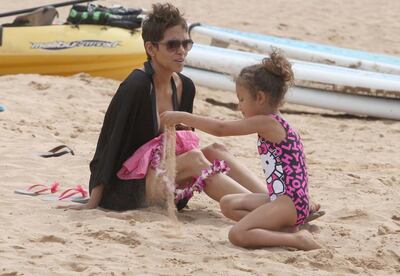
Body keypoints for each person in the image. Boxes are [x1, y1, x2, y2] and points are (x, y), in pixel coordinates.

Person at [59, 3, 263, 211]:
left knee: (216, 150)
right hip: (126, 191)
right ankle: (264, 210)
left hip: (168, 180)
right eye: (172, 45)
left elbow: (185, 143)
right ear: (151, 48)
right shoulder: (136, 86)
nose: (181, 51)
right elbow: (109, 145)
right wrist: (94, 200)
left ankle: (278, 203)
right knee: (195, 159)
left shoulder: (185, 87)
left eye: (186, 43)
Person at [160, 51, 321, 250]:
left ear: (260, 97)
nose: (239, 106)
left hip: (289, 203)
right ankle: (285, 231)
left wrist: (184, 117)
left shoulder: (268, 123)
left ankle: (297, 240)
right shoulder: (272, 122)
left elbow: (222, 129)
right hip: (282, 199)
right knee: (228, 203)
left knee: (238, 234)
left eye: (242, 99)